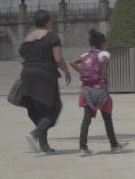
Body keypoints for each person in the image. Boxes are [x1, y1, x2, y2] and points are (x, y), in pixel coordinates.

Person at [20, 10, 71, 154]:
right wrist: (67, 71)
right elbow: (58, 59)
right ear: (48, 21)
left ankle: (44, 147)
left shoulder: (27, 38)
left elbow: (23, 60)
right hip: (45, 76)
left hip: (27, 75)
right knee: (54, 108)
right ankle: (34, 135)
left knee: (39, 111)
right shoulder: (52, 36)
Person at [71, 28, 125, 156]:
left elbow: (71, 62)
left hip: (87, 90)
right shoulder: (104, 53)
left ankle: (83, 147)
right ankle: (114, 145)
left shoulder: (85, 55)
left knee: (86, 119)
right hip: (100, 89)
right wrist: (104, 74)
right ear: (102, 43)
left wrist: (83, 72)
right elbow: (105, 61)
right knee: (107, 118)